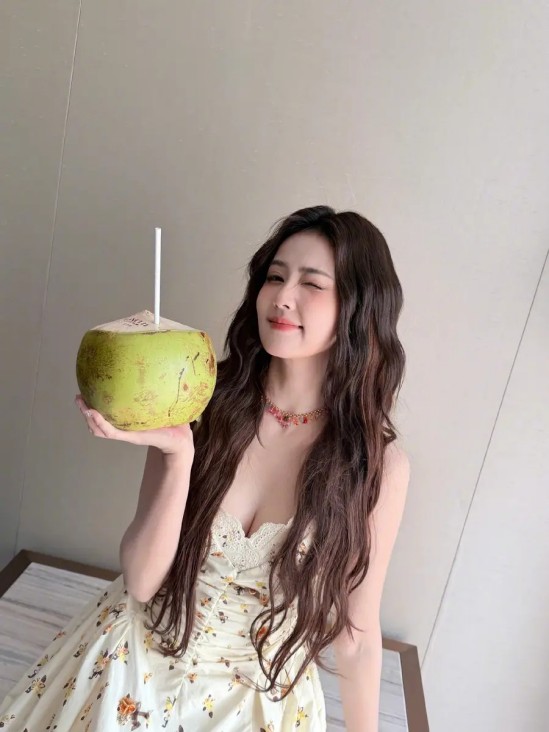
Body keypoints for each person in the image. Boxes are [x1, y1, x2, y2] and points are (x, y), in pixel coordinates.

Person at [0, 204, 410, 731]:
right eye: (275, 277)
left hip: (258, 706)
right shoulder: (195, 394)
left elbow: (357, 635)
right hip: (131, 670)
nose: (283, 296)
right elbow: (142, 581)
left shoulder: (375, 464)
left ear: (359, 307)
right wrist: (179, 455)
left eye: (312, 283)